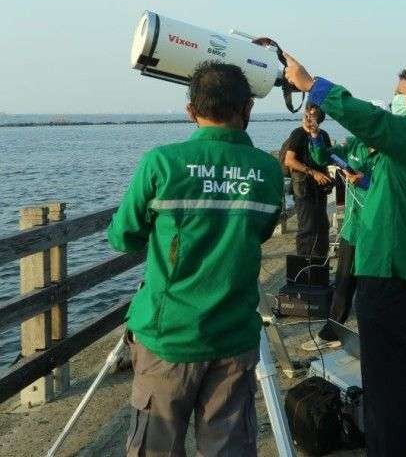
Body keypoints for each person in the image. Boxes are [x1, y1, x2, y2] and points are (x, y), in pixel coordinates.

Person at [284, 56, 406, 456]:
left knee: (384, 375)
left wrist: (313, 85)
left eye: (400, 95)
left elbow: (374, 123)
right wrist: (316, 139)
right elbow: (348, 156)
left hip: (392, 268)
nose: (394, 102)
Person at [106, 62, 283, 457]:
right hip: (234, 334)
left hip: (168, 336)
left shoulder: (162, 163)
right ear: (248, 108)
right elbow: (263, 229)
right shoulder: (268, 170)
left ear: (191, 111)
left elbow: (122, 237)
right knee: (229, 447)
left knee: (155, 447)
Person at [303, 135, 378, 352]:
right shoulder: (355, 143)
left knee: (370, 286)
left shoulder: (390, 154)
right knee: (343, 281)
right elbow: (323, 156)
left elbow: (393, 188)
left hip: (375, 231)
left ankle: (372, 337)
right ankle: (331, 331)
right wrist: (316, 138)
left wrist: (364, 181)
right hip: (352, 228)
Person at [282, 104, 334, 256]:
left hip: (320, 189)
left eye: (315, 113)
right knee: (307, 229)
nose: (310, 115)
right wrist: (313, 172)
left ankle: (319, 268)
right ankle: (304, 272)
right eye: (308, 112)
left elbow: (327, 158)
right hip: (303, 189)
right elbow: (289, 160)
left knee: (322, 227)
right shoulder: (298, 134)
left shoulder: (323, 135)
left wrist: (326, 174)